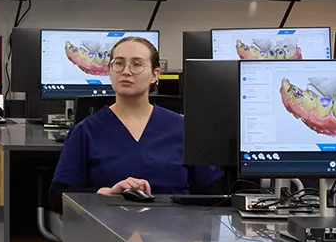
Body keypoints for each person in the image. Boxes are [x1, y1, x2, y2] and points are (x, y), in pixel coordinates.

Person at [51, 35, 224, 200]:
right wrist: (104, 193)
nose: (126, 71)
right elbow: (58, 196)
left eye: (137, 64)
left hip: (175, 225)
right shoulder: (85, 131)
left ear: (155, 74)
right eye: (118, 63)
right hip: (109, 224)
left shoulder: (186, 129)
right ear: (109, 70)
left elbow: (212, 196)